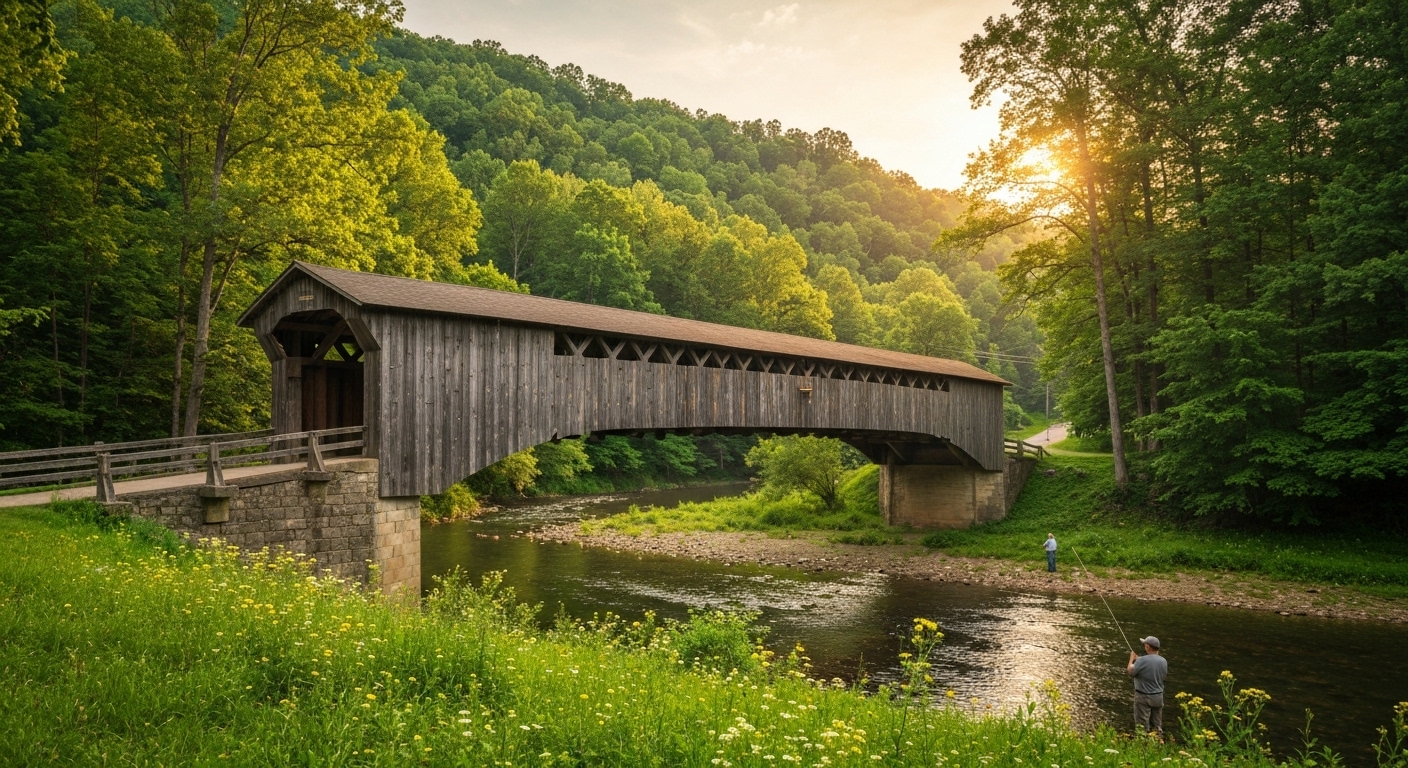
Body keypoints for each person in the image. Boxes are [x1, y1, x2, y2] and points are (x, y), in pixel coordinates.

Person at [1127, 636, 1168, 736]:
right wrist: (1139, 659)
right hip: (1158, 697)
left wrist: (1132, 659)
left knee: (1142, 727)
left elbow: (1130, 671)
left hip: (1143, 697)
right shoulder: (1163, 661)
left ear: (1148, 647)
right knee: (1157, 726)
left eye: (1145, 644)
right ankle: (1158, 744)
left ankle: (1143, 747)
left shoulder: (1141, 661)